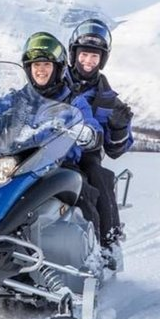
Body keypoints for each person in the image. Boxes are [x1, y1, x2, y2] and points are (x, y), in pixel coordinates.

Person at [19, 31, 104, 230]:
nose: (40, 70)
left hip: (59, 165)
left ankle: (97, 252)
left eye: (46, 64)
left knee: (85, 194)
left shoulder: (74, 100)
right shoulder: (19, 98)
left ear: (57, 68)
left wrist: (87, 133)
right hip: (19, 164)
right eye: (36, 65)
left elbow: (91, 124)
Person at [65, 18, 133, 249]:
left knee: (98, 176)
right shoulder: (54, 80)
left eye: (94, 56)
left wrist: (119, 127)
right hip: (42, 147)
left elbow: (116, 150)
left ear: (102, 60)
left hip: (85, 154)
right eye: (84, 54)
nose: (88, 60)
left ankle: (107, 241)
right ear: (74, 54)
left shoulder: (109, 100)